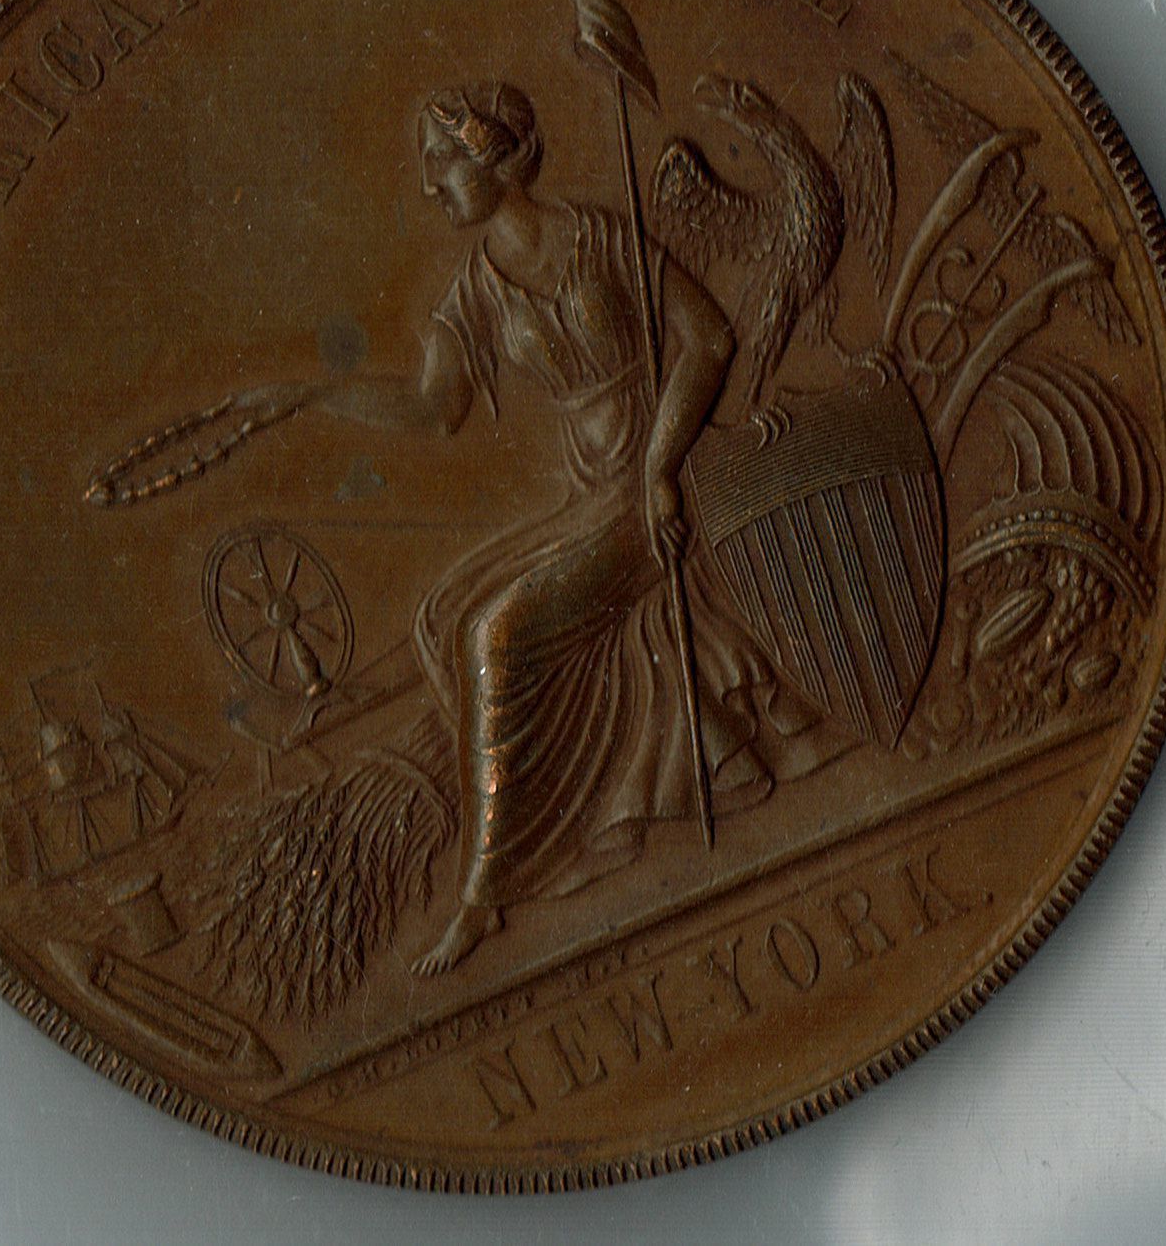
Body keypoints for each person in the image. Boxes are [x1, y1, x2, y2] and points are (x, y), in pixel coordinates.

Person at [232, 83, 773, 975]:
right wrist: (310, 395)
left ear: (498, 157)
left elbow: (708, 340)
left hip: (653, 486)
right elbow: (431, 406)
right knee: (445, 618)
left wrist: (660, 468)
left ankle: (486, 896)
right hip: (585, 499)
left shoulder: (601, 239)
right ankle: (567, 817)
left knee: (496, 632)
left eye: (443, 162)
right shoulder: (475, 290)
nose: (428, 186)